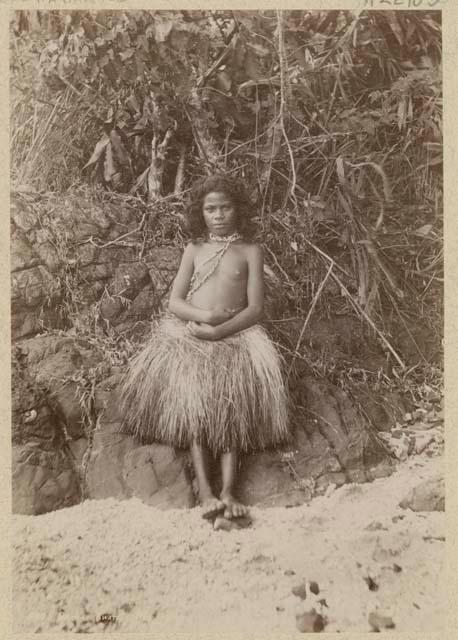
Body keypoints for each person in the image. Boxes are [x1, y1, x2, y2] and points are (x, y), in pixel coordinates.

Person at [119, 174, 289, 523]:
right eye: (211, 209)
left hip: (236, 338)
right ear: (201, 213)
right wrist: (206, 316)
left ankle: (228, 490)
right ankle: (206, 491)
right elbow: (175, 303)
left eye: (226, 208)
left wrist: (220, 330)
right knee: (197, 413)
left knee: (230, 413)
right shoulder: (194, 249)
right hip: (190, 337)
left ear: (238, 211)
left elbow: (255, 309)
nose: (219, 215)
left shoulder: (250, 251)